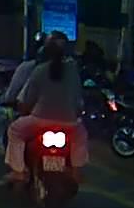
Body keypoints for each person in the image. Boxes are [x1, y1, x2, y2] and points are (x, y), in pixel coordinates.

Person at [5, 33, 88, 182]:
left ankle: (18, 171)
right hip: (69, 123)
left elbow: (27, 100)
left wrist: (24, 110)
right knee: (80, 135)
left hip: (39, 120)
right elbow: (78, 101)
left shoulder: (38, 70)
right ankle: (76, 171)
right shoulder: (73, 72)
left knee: (14, 131)